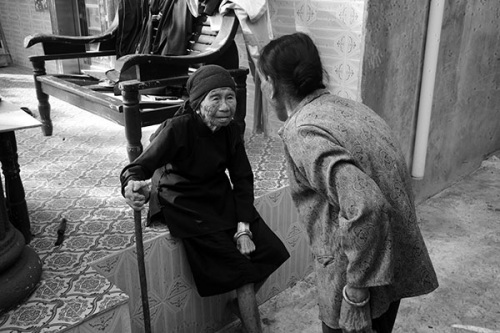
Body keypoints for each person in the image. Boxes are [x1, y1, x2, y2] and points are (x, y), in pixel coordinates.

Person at [257, 32, 439, 333]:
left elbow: (366, 204)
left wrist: (356, 293)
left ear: (273, 84)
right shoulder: (349, 108)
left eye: (263, 79)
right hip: (391, 264)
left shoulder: (303, 131)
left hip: (356, 279)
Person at [120, 64, 290, 333]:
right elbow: (138, 167)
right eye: (216, 98)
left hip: (216, 195)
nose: (225, 106)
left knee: (273, 251)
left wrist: (243, 228)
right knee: (244, 274)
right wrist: (130, 186)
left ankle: (240, 307)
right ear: (198, 103)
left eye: (230, 97)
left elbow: (243, 178)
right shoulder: (177, 128)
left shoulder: (231, 130)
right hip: (182, 202)